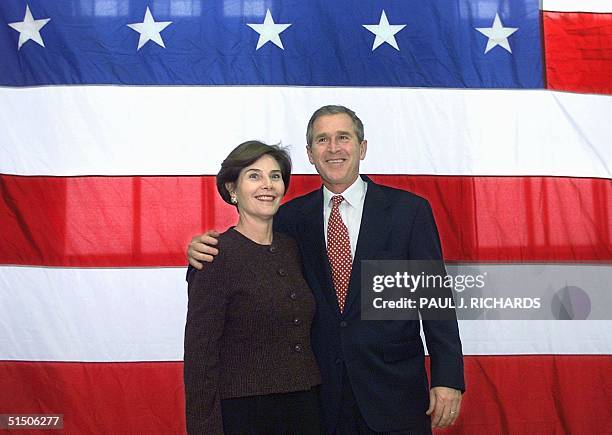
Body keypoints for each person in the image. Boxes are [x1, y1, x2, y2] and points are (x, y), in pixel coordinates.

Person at [188, 106, 465, 434]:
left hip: (394, 392)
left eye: (343, 138)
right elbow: (249, 251)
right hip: (319, 400)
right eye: (322, 140)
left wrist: (448, 378)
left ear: (361, 148)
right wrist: (198, 251)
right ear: (310, 153)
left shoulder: (409, 212)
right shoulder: (289, 219)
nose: (333, 148)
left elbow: (434, 299)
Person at [183, 141, 321, 434]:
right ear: (233, 189)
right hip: (246, 414)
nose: (267, 185)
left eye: (275, 176)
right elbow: (200, 358)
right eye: (254, 176)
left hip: (305, 406)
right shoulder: (215, 256)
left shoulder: (292, 248)